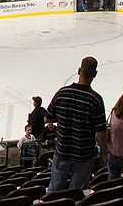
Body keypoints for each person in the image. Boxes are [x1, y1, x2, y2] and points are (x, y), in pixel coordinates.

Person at [45, 56, 108, 193]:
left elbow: (47, 118)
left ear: (79, 70)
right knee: (76, 193)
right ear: (95, 74)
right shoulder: (96, 100)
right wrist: (104, 153)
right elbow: (101, 131)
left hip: (62, 151)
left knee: (54, 189)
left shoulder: (62, 93)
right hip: (84, 155)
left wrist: (63, 117)